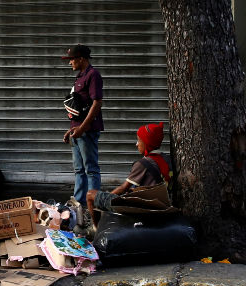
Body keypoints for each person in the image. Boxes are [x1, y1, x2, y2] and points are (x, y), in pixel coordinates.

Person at [86, 122, 172, 229]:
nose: (136, 144)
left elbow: (123, 188)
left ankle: (96, 230)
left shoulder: (143, 164)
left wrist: (104, 202)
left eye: (139, 140)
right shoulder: (168, 159)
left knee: (90, 195)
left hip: (142, 208)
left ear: (147, 143)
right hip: (162, 206)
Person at [61, 44, 104, 206]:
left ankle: (94, 204)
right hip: (77, 131)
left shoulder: (93, 75)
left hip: (87, 131)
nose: (70, 62)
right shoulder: (80, 77)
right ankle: (78, 204)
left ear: (81, 59)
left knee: (91, 170)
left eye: (72, 59)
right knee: (79, 170)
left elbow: (97, 103)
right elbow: (80, 108)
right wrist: (72, 129)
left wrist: (82, 128)